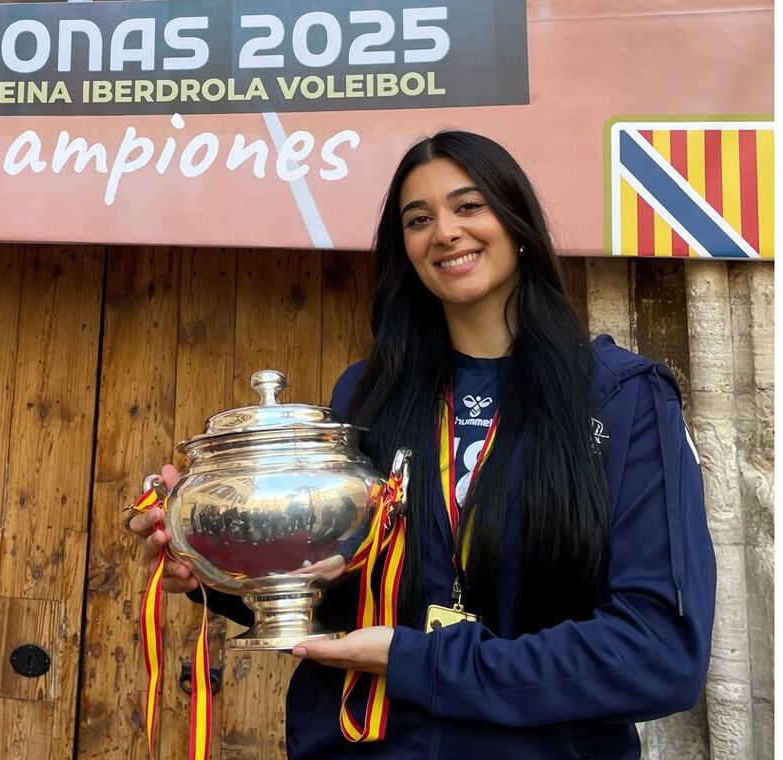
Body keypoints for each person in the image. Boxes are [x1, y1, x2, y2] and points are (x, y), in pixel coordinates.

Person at [128, 130, 716, 759]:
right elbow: (343, 599)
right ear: (404, 249)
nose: (445, 233)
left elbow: (659, 653)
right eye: (419, 219)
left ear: (517, 224)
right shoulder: (368, 395)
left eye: (469, 207)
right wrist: (218, 567)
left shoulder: (623, 399)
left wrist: (424, 662)